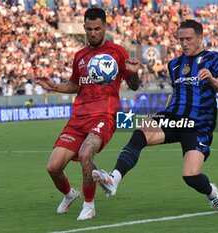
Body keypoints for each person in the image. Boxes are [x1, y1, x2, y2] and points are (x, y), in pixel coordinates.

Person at [92, 19, 218, 212]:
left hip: (198, 124)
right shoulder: (174, 64)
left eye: (188, 39)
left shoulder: (213, 59)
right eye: (180, 39)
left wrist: (212, 79)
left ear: (200, 38)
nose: (184, 43)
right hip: (173, 117)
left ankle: (213, 193)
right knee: (141, 131)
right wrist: (164, 113)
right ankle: (113, 179)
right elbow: (176, 92)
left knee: (190, 176)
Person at [36, 7, 140, 221]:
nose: (93, 33)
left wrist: (134, 74)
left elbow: (133, 85)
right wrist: (55, 86)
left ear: (105, 27)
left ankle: (89, 205)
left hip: (105, 115)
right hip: (78, 118)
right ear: (84, 27)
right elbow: (75, 85)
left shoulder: (118, 52)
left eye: (98, 29)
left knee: (86, 154)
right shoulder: (80, 56)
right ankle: (69, 194)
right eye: (89, 29)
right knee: (53, 167)